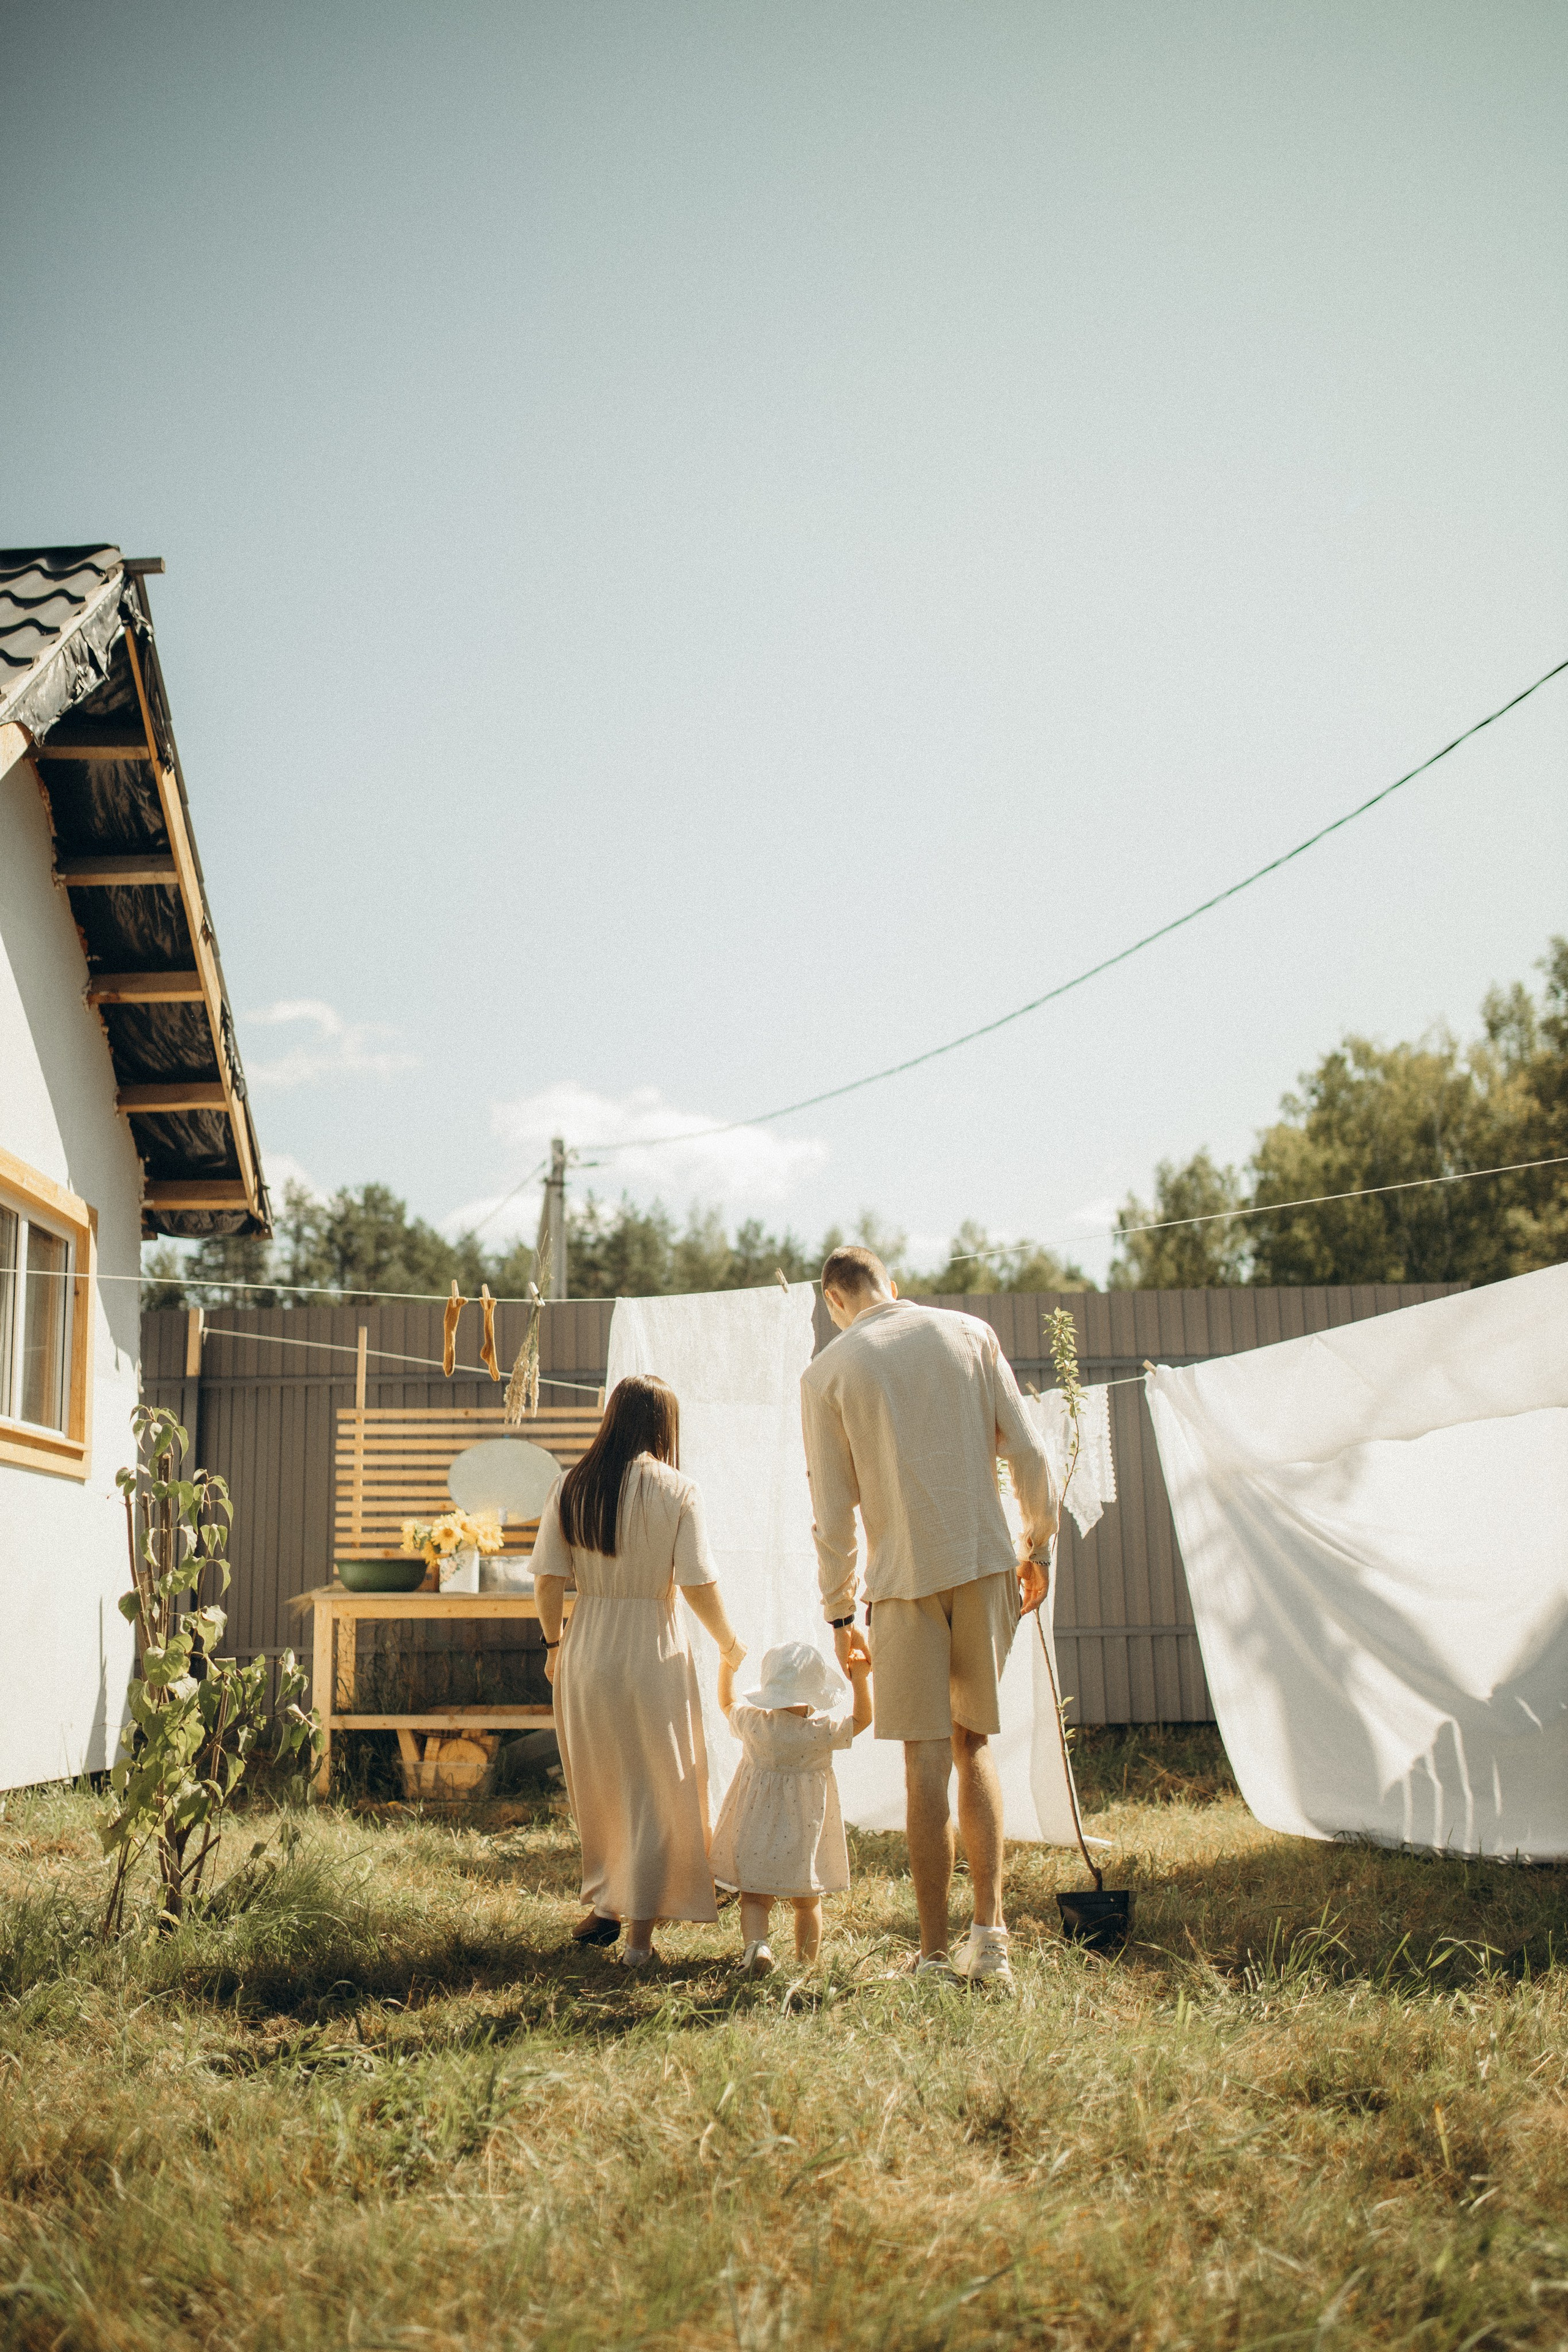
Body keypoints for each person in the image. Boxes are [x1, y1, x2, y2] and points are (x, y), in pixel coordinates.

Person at [799, 1245, 1058, 1987]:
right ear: (892, 1287)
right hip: (984, 1564)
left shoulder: (828, 1373)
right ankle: (994, 1939)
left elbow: (832, 1514)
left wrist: (839, 1612)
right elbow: (1030, 1452)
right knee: (973, 1742)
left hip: (902, 1580)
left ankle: (937, 1957)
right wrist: (1034, 1541)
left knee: (923, 1763)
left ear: (833, 1301)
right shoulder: (968, 1332)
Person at [533, 1373, 746, 1967]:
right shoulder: (678, 1490)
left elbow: (548, 1580)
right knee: (659, 1787)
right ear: (661, 1426)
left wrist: (552, 1646)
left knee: (601, 1785)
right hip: (651, 1647)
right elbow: (697, 1585)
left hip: (585, 1647)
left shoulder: (569, 1485)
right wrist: (731, 1645)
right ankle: (638, 1940)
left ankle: (606, 1906)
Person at [709, 1637, 873, 1978]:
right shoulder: (821, 1732)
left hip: (755, 1826)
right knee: (807, 1900)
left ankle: (757, 1948)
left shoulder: (755, 1724)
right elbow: (863, 1719)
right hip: (804, 1830)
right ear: (814, 1695)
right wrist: (860, 1676)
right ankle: (805, 1965)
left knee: (754, 1897)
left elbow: (726, 1703)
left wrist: (728, 1666)